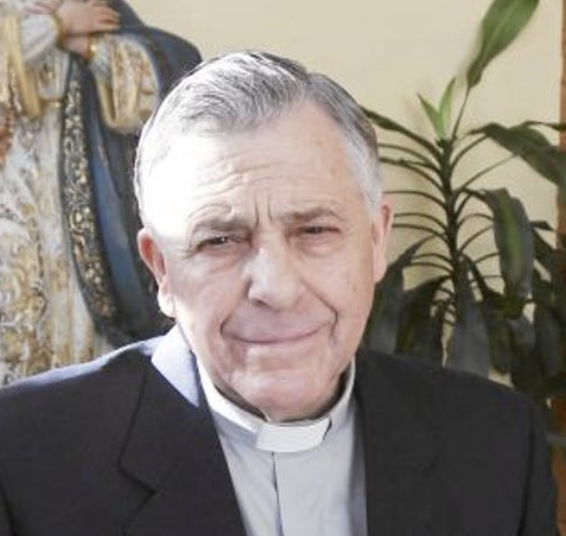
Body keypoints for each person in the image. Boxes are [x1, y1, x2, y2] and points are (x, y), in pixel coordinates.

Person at [0, 51, 557, 535]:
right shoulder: (22, 454)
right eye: (220, 240)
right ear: (162, 269)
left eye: (314, 230)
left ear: (375, 240)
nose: (276, 289)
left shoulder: (498, 443)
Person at [0, 0, 200, 385]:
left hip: (76, 212)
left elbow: (167, 87)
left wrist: (89, 47)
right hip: (13, 203)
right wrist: (56, 27)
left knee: (76, 330)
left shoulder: (90, 6)